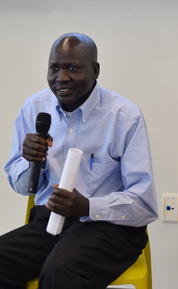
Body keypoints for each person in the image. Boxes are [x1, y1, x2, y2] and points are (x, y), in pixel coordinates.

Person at [0, 33, 158, 289]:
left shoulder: (124, 116)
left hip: (108, 227)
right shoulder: (33, 108)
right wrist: (31, 161)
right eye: (54, 68)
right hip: (49, 221)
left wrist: (87, 206)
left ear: (94, 70)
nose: (61, 78)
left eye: (72, 68)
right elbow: (23, 188)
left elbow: (144, 204)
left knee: (60, 272)